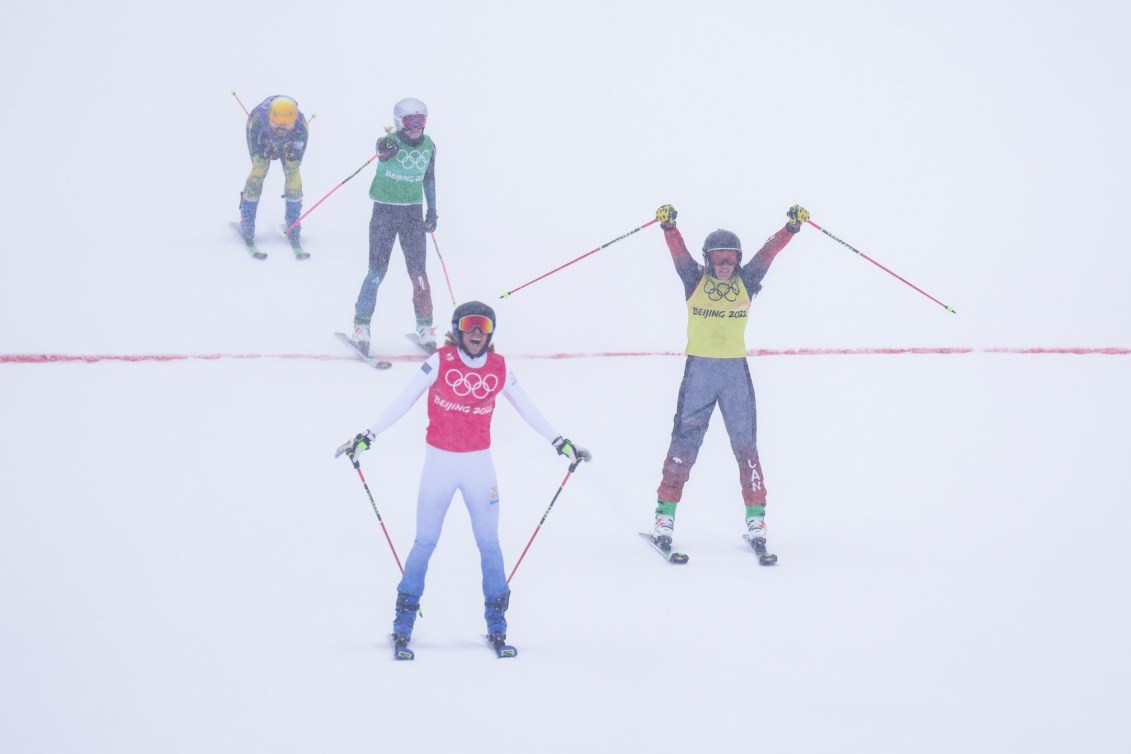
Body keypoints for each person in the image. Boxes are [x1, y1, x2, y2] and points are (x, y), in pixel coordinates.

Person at [336, 301, 591, 658]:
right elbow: (404, 399)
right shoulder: (440, 360)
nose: (476, 333)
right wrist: (368, 435)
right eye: (470, 325)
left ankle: (497, 623)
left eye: (483, 327)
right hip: (439, 463)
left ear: (490, 333)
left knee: (489, 544)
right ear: (457, 329)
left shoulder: (500, 368)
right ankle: (403, 621)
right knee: (425, 541)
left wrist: (559, 442)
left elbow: (527, 406)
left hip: (478, 466)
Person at [649, 203, 809, 565]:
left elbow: (769, 253)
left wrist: (791, 228)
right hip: (700, 375)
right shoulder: (694, 280)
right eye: (718, 259)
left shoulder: (747, 282)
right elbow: (678, 254)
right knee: (683, 447)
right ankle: (664, 518)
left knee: (746, 447)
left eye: (731, 259)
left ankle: (756, 523)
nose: (725, 265)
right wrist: (669, 227)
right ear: (708, 260)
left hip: (734, 374)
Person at [349, 97, 439, 357]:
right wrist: (385, 146)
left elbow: (429, 179)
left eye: (420, 121)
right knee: (377, 272)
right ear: (400, 122)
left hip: (412, 213)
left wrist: (432, 209)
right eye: (410, 121)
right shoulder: (390, 143)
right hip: (384, 213)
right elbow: (383, 150)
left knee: (419, 274)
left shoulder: (429, 146)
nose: (416, 126)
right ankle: (361, 327)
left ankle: (425, 327)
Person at [238, 95, 309, 255]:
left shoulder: (301, 128)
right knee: (259, 170)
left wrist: (289, 151)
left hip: (290, 144)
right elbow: (256, 151)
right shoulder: (257, 121)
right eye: (276, 125)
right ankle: (247, 222)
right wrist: (265, 151)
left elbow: (296, 159)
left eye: (287, 126)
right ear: (269, 119)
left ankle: (293, 225)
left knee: (293, 173)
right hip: (262, 139)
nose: (281, 129)